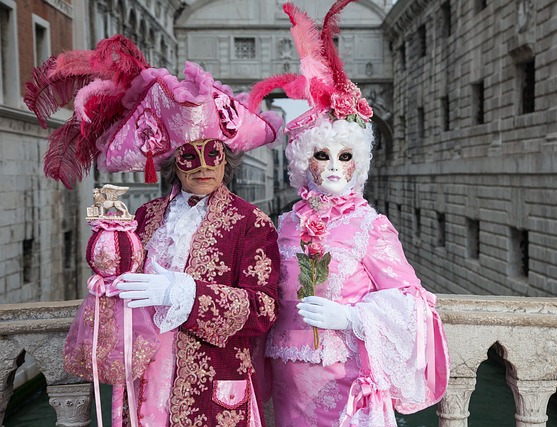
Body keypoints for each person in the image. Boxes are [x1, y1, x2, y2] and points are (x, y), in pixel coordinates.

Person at [25, 35, 283, 427]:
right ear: (172, 165)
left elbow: (263, 310)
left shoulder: (251, 222)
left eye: (212, 153)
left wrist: (183, 294)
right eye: (188, 156)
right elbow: (120, 281)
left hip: (212, 390)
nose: (202, 166)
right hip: (144, 385)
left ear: (225, 159)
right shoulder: (145, 216)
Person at [248, 1, 450, 425]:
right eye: (323, 155)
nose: (335, 166)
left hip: (344, 380)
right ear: (305, 163)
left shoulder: (370, 226)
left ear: (359, 162)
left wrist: (354, 316)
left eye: (345, 155)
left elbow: (413, 300)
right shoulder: (284, 225)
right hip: (286, 379)